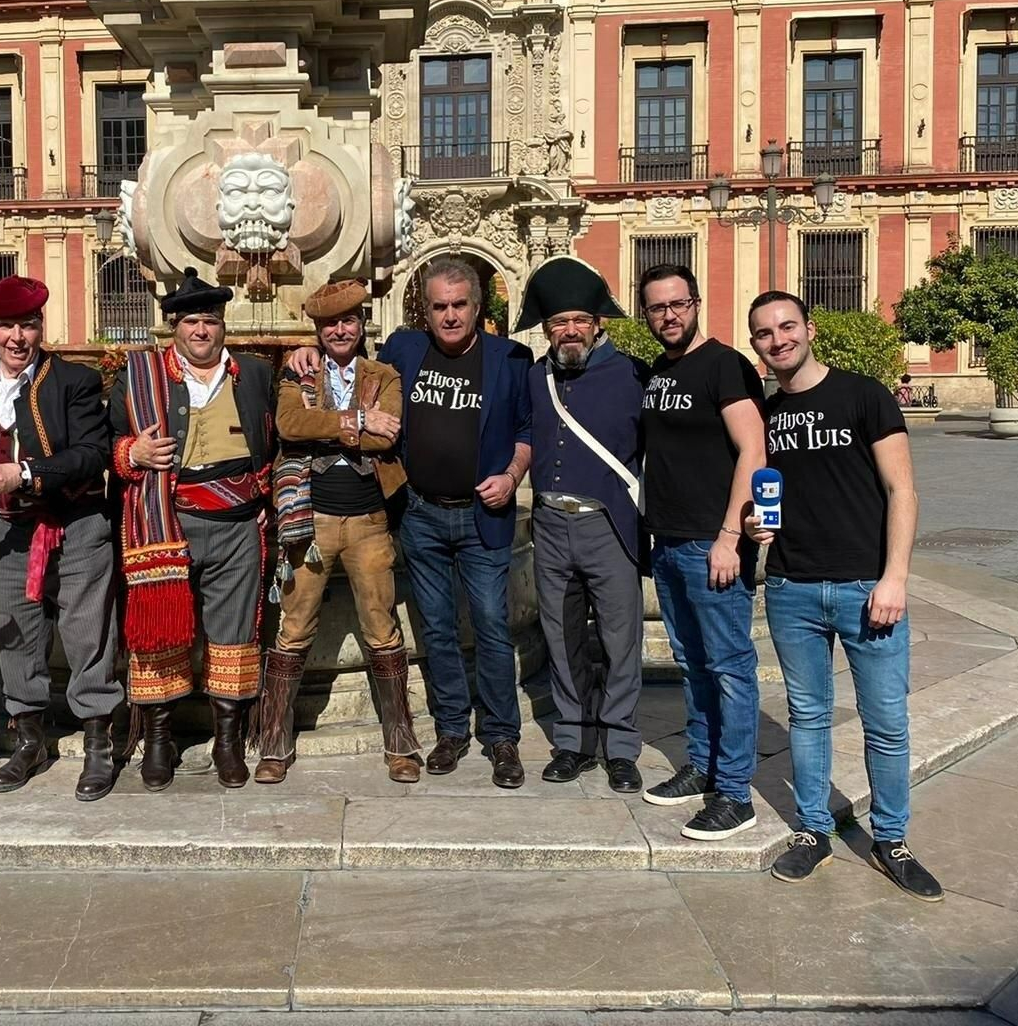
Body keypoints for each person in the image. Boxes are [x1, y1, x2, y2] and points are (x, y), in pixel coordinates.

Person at [296, 257, 533, 787]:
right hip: (421, 513)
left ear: (478, 306)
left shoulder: (509, 358)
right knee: (436, 628)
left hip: (482, 515)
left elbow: (526, 429)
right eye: (439, 306)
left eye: (459, 305)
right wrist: (306, 348)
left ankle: (501, 736)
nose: (449, 316)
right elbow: (351, 367)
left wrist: (514, 475)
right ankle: (451, 729)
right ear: (424, 310)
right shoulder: (404, 349)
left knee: (493, 625)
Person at [745, 291, 941, 902]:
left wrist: (896, 578)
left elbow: (901, 491)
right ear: (756, 345)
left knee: (886, 723)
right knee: (807, 718)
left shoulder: (864, 395)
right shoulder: (767, 413)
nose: (778, 340)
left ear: (810, 328)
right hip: (791, 586)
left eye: (786, 327)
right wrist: (756, 527)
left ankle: (892, 840)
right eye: (764, 334)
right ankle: (813, 831)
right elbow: (765, 495)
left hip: (866, 586)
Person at [109, 269, 277, 791]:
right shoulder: (138, 375)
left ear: (223, 327)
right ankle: (158, 742)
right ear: (174, 328)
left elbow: (278, 440)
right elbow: (106, 441)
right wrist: (131, 453)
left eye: (210, 321)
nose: (201, 331)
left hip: (237, 523)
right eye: (190, 322)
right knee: (160, 632)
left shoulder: (255, 374)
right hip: (167, 522)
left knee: (233, 635)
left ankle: (228, 741)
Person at [0, 276, 125, 800]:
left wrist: (26, 473)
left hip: (76, 522)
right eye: (5, 325)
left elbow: (92, 454)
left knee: (86, 631)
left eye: (27, 325)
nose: (16, 337)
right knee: (15, 631)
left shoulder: (72, 381)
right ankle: (28, 741)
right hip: (10, 528)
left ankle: (99, 742)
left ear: (40, 327)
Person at [257, 279, 422, 785]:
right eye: (330, 323)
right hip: (310, 521)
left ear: (361, 324)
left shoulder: (385, 375)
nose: (340, 330)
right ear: (318, 329)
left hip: (370, 523)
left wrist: (333, 423)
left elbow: (387, 432)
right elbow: (289, 426)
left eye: (348, 321)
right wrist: (354, 420)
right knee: (293, 628)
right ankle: (274, 745)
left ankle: (400, 744)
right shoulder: (296, 374)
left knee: (382, 629)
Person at [636, 264, 767, 839]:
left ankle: (736, 795)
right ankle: (704, 764)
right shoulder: (658, 374)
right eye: (657, 308)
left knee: (730, 666)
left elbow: (753, 448)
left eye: (678, 304)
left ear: (696, 304)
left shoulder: (725, 365)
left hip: (712, 544)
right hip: (668, 542)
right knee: (691, 663)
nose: (669, 315)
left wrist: (729, 538)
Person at [515, 257, 647, 794]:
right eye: (557, 323)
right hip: (549, 522)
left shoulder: (637, 373)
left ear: (597, 323)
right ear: (546, 329)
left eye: (578, 320)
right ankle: (571, 740)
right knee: (561, 636)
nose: (568, 331)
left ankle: (619, 745)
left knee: (621, 639)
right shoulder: (534, 376)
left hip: (609, 524)